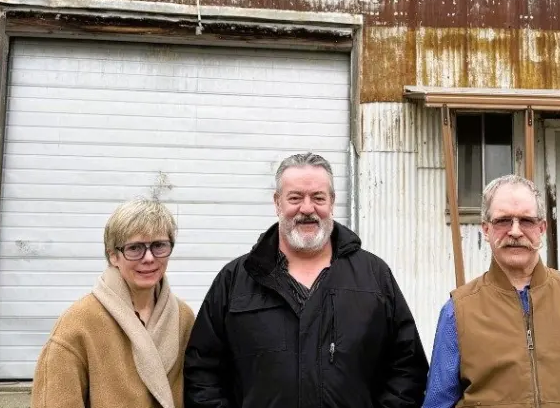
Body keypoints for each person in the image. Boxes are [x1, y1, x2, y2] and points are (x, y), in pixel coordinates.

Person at [183, 152, 429, 408]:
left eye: (318, 198)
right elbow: (202, 374)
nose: (308, 208)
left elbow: (407, 369)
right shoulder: (235, 281)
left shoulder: (374, 277)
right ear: (277, 203)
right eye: (295, 198)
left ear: (332, 202)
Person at [422, 174, 560, 408]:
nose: (515, 231)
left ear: (541, 228)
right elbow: (438, 401)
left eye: (526, 221)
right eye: (503, 221)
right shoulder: (458, 311)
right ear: (486, 229)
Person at [31, 199, 196, 408]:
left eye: (159, 245)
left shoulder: (184, 318)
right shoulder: (77, 323)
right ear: (113, 256)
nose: (148, 258)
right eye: (134, 248)